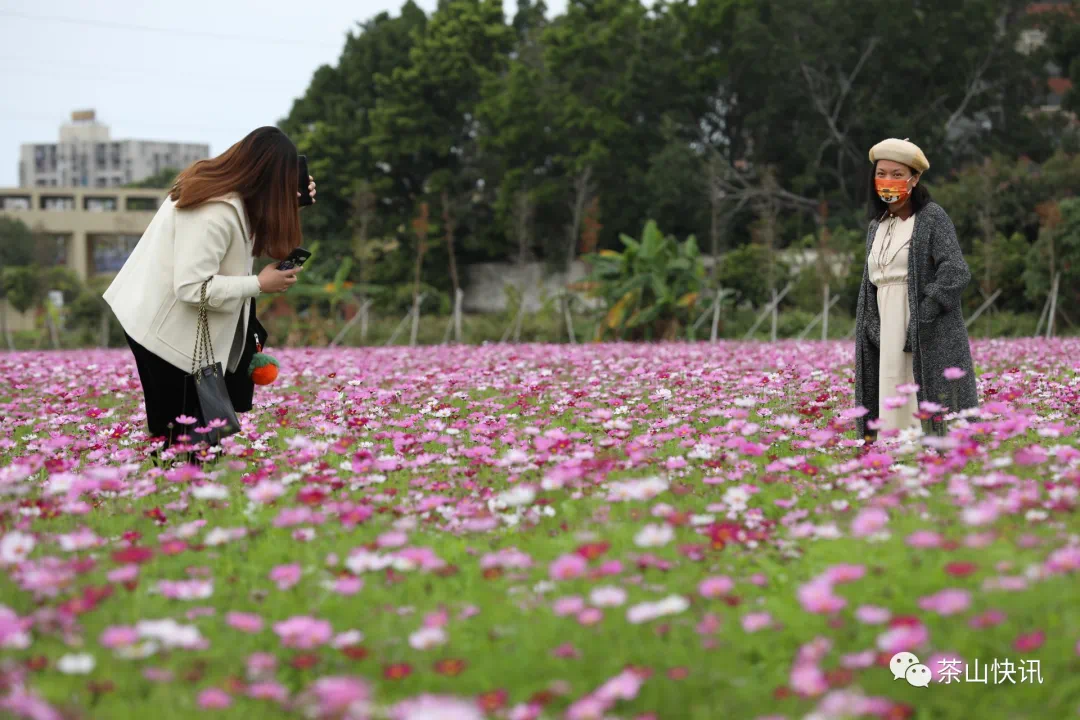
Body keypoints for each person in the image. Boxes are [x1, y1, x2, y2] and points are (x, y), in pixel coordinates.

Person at [104, 127, 316, 451]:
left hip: (180, 329)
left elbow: (243, 244)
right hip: (162, 333)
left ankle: (187, 488)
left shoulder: (234, 199)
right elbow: (191, 287)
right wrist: (260, 284)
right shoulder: (213, 209)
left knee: (198, 437)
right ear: (267, 178)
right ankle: (178, 493)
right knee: (182, 437)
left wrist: (293, 203)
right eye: (284, 185)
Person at [853, 138, 978, 441]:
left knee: (921, 392)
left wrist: (925, 312)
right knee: (889, 389)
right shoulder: (877, 225)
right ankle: (892, 456)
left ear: (915, 178)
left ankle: (931, 456)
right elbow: (872, 280)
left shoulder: (931, 217)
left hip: (923, 325)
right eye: (882, 173)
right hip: (885, 324)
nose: (888, 181)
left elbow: (955, 270)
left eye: (898, 174)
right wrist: (870, 322)